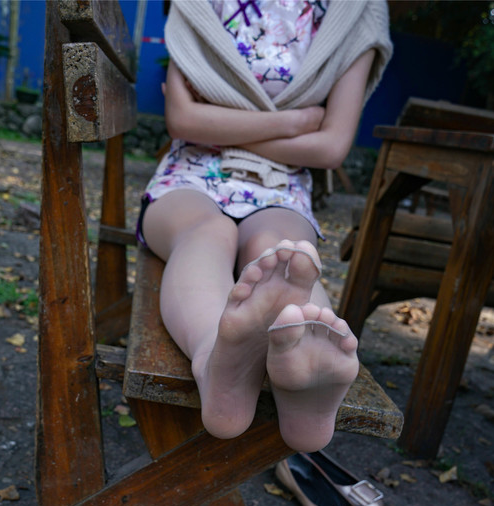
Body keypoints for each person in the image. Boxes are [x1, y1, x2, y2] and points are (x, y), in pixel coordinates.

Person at [140, 0, 392, 451]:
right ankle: (215, 358)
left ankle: (303, 371)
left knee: (283, 251)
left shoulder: (358, 10)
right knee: (209, 232)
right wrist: (294, 123)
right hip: (190, 177)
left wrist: (223, 126)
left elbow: (331, 147)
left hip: (280, 187)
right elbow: (183, 122)